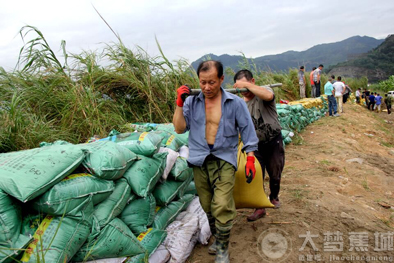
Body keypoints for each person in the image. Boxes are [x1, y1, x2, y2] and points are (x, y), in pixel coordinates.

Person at [173, 60, 258, 263]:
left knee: (221, 204)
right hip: (199, 158)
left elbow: (247, 130)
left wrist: (250, 159)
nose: (207, 87)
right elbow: (178, 129)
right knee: (207, 204)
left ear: (221, 79)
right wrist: (178, 103)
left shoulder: (234, 103)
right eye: (203, 82)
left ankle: (222, 249)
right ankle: (218, 238)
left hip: (224, 158)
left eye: (212, 82)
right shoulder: (191, 102)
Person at [233, 69, 285, 221]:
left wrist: (246, 85)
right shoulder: (241, 104)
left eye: (246, 86)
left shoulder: (264, 91)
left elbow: (268, 95)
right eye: (241, 89)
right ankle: (259, 207)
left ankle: (274, 196)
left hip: (273, 140)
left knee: (275, 173)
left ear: (253, 81)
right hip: (255, 146)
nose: (244, 91)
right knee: (256, 176)